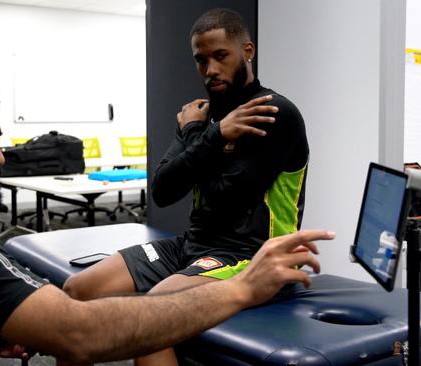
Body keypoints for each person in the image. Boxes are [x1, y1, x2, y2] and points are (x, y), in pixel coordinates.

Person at [0, 72, 334, 365]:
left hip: (226, 249)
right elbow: (79, 332)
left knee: (146, 312)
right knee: (117, 307)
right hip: (193, 245)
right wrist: (243, 288)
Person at [63, 8, 311, 366]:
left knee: (151, 319)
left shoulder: (271, 113)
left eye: (220, 56)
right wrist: (210, 133)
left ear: (248, 51)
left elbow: (228, 197)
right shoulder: (204, 116)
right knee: (76, 292)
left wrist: (198, 135)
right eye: (201, 60)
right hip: (191, 247)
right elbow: (162, 191)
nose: (210, 70)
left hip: (251, 257)